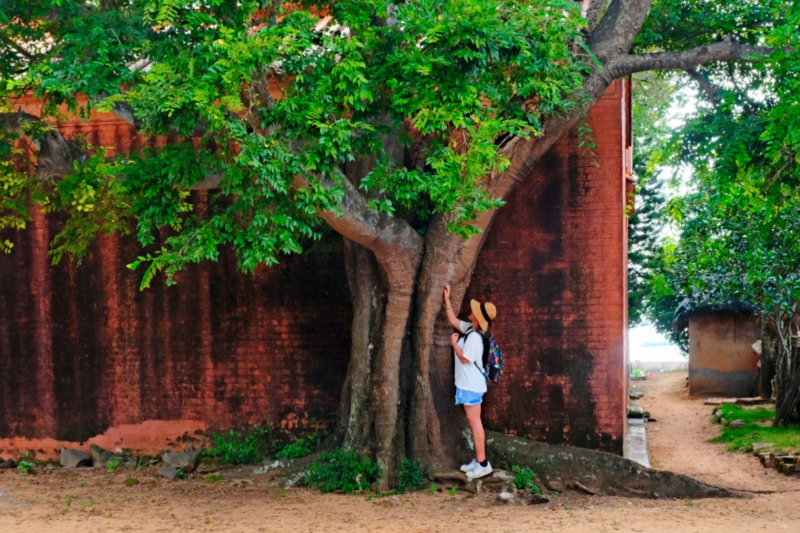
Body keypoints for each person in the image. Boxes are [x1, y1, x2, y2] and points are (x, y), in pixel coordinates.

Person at [443, 283, 497, 479]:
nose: (471, 312)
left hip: (472, 386)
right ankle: (479, 460)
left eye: (475, 311)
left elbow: (465, 358)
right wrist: (447, 299)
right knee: (473, 421)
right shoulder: (468, 330)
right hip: (467, 385)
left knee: (475, 423)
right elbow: (453, 319)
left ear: (478, 318)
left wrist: (454, 344)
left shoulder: (474, 338)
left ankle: (483, 463)